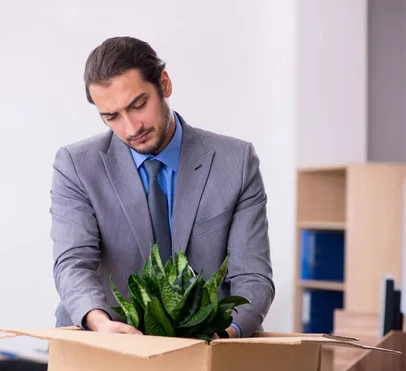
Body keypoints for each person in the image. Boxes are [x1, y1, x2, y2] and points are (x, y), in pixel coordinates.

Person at [49, 36, 275, 338]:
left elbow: (253, 276)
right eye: (111, 116)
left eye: (139, 105)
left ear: (164, 84)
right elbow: (72, 263)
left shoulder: (236, 162)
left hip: (212, 347)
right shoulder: (76, 166)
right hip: (103, 344)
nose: (131, 129)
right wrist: (99, 322)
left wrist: (224, 335)